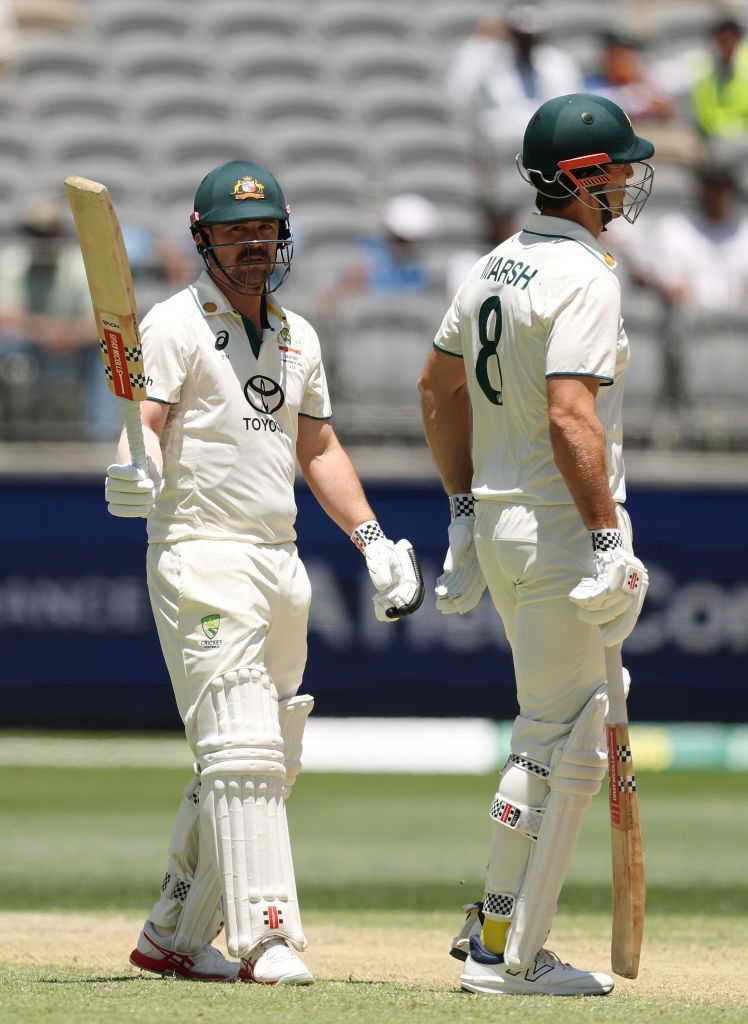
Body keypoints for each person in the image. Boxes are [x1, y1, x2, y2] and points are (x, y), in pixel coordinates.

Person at [105, 160, 424, 985]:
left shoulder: (297, 335)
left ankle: (173, 934)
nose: (255, 244)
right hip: (200, 551)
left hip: (278, 562)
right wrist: (133, 464)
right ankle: (268, 937)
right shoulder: (174, 324)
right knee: (240, 745)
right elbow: (146, 416)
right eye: (236, 231)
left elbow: (315, 446)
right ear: (202, 238)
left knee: (269, 753)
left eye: (266, 229)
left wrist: (374, 540)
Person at [418, 94, 651, 996]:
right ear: (586, 181)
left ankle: (496, 924)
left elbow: (435, 390)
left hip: (505, 522)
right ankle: (509, 957)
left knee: (549, 728)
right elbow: (569, 411)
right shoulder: (587, 276)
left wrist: (464, 514)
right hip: (560, 525)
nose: (630, 179)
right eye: (619, 167)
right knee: (575, 737)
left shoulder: (493, 266)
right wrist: (604, 539)